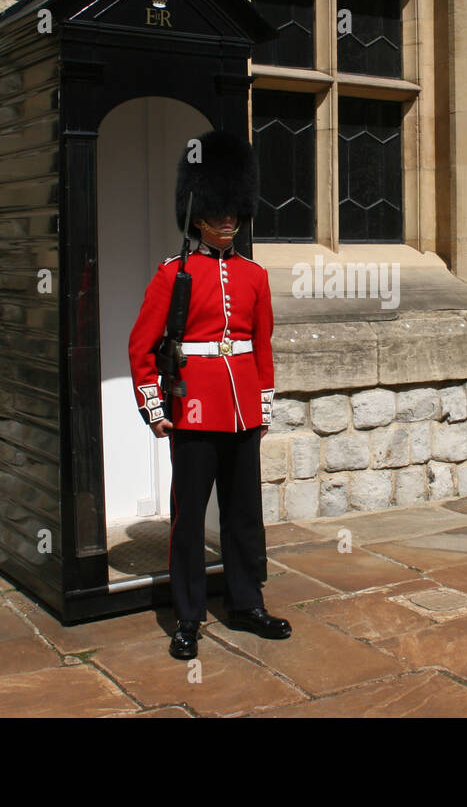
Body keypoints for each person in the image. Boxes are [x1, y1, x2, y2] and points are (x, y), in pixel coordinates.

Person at [127, 129, 293, 660]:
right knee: (189, 517)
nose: (228, 219)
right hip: (193, 413)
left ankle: (246, 603)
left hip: (243, 410)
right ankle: (188, 616)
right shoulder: (172, 274)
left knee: (244, 514)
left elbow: (260, 347)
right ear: (197, 214)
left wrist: (263, 403)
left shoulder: (254, 276)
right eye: (217, 210)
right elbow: (141, 345)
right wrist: (155, 407)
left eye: (233, 210)